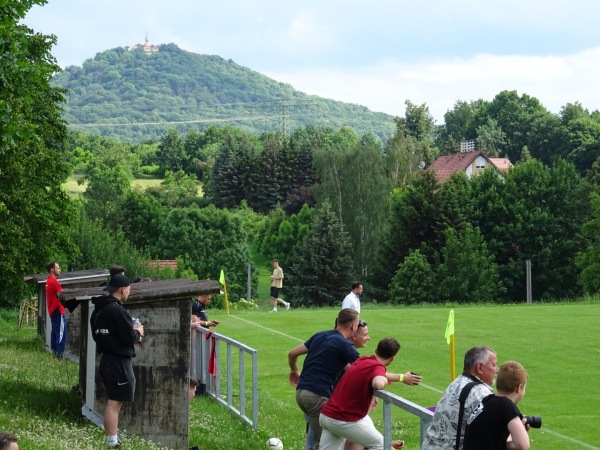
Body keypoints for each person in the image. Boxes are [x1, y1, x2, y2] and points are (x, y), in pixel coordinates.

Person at [288, 308, 361, 450]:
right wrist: (398, 377)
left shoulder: (320, 336)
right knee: (323, 445)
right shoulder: (344, 345)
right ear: (353, 326)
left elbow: (292, 354)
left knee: (316, 440)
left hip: (301, 393)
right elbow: (364, 369)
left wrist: (295, 370)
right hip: (318, 396)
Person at [319, 338, 408, 450]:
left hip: (327, 416)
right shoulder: (378, 368)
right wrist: (384, 380)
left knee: (379, 439)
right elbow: (378, 384)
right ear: (392, 358)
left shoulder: (362, 361)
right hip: (343, 419)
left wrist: (401, 377)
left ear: (376, 350)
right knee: (382, 446)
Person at [90, 274, 144, 448]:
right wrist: (138, 332)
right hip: (118, 361)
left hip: (107, 358)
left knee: (115, 401)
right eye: (129, 289)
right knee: (114, 402)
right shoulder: (116, 310)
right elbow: (129, 338)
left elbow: (96, 335)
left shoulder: (98, 309)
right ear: (122, 289)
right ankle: (112, 442)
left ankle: (112, 440)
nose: (129, 292)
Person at [304, 319, 371, 450]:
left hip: (312, 399)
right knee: (316, 445)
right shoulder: (343, 356)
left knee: (312, 444)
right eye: (365, 334)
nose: (368, 338)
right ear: (353, 334)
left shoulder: (338, 351)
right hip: (324, 406)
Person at [421, 346, 498, 450]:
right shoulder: (480, 393)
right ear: (480, 368)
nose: (497, 370)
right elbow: (491, 434)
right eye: (494, 365)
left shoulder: (456, 382)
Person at [463, 361, 530, 450]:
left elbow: (491, 439)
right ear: (518, 388)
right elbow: (523, 446)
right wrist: (521, 431)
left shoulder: (486, 401)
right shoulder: (506, 406)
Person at [45, 261, 66, 360]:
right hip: (58, 310)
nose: (59, 269)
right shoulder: (54, 282)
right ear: (52, 270)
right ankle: (59, 356)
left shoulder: (48, 281)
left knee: (54, 333)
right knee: (61, 334)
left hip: (53, 310)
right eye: (58, 268)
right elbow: (62, 295)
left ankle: (54, 354)